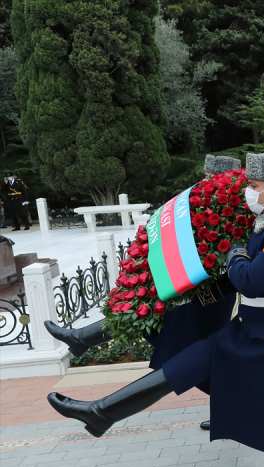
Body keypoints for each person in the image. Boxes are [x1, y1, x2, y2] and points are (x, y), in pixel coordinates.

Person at [47, 152, 264, 467]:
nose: (249, 194)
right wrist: (187, 289)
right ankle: (101, 413)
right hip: (250, 329)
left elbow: (251, 279)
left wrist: (235, 254)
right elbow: (237, 278)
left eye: (254, 188)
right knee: (184, 366)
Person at [44, 154, 242, 431]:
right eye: (206, 176)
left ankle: (236, 408)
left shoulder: (235, 211)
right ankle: (82, 339)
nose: (206, 182)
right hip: (190, 295)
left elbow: (237, 265)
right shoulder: (201, 202)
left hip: (207, 300)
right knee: (184, 353)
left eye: (212, 178)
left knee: (184, 356)